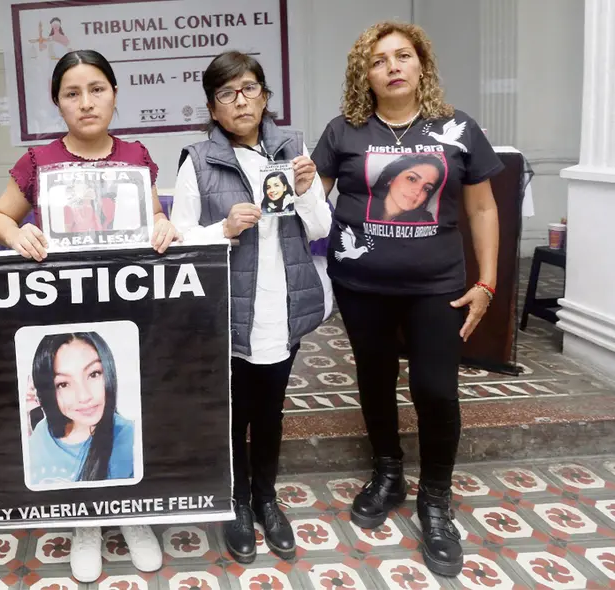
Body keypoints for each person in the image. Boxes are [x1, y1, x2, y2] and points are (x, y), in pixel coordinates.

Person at [311, 22, 501, 578]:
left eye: (402, 56)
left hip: (437, 287)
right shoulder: (344, 130)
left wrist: (486, 283)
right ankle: (388, 471)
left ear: (421, 65)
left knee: (435, 389)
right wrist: (290, 183)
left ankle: (435, 498)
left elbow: (483, 209)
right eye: (378, 60)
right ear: (363, 75)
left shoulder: (458, 128)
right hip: (360, 285)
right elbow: (310, 206)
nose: (392, 66)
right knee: (373, 377)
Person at [0, 49, 171, 583]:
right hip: (63, 310)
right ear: (57, 103)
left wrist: (163, 226)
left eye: (97, 89)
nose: (86, 102)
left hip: (127, 306)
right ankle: (84, 521)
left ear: (114, 94)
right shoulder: (38, 162)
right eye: (72, 93)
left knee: (114, 413)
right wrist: (16, 232)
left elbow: (156, 216)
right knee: (74, 416)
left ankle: (131, 512)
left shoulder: (137, 154)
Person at [171, 51, 332, 564]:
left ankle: (267, 496)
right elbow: (178, 242)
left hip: (282, 308)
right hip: (227, 314)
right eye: (226, 93)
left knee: (270, 412)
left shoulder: (292, 148)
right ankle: (238, 502)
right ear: (213, 108)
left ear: (264, 95)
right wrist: (222, 230)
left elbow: (321, 228)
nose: (239, 101)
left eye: (248, 89)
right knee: (234, 412)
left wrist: (307, 192)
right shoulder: (197, 160)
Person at [27, 332, 134, 486]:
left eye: (94, 374)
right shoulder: (42, 431)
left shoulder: (131, 441)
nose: (84, 396)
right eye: (63, 384)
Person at [368, 154, 446, 223]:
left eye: (426, 189)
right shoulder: (362, 202)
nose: (418, 191)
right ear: (391, 178)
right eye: (412, 179)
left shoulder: (425, 222)